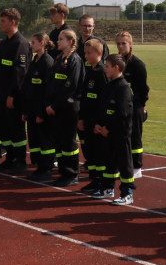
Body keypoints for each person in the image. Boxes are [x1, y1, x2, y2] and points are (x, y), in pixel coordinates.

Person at [0, 8, 30, 173]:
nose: (0, 24)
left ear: (12, 22)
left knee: (16, 128)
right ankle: (10, 157)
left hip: (13, 96)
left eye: (3, 21)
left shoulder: (20, 43)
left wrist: (12, 95)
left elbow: (20, 73)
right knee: (3, 128)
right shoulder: (4, 43)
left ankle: (20, 161)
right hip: (0, 93)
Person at [45, 29, 85, 186]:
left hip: (68, 108)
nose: (57, 41)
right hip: (56, 108)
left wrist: (55, 105)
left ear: (70, 42)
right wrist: (49, 103)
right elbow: (52, 84)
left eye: (61, 39)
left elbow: (71, 86)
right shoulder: (58, 58)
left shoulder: (75, 60)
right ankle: (63, 171)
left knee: (69, 142)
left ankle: (71, 173)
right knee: (59, 141)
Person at [95, 53, 136, 205]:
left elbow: (122, 113)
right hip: (107, 132)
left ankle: (127, 193)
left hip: (120, 133)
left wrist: (108, 128)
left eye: (107, 66)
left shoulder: (124, 88)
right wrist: (98, 124)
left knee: (124, 164)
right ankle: (107, 188)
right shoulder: (108, 85)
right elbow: (102, 108)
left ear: (116, 68)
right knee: (109, 161)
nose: (104, 68)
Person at [115, 31, 149, 177]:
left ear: (130, 44)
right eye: (118, 43)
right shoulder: (115, 62)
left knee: (135, 137)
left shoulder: (138, 64)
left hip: (134, 107)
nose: (121, 46)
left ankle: (136, 166)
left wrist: (139, 106)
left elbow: (143, 90)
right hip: (119, 107)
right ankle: (122, 163)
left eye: (124, 43)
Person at [23, 33, 56, 181]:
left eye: (34, 42)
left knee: (45, 140)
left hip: (41, 110)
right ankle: (38, 167)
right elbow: (29, 85)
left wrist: (42, 113)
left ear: (42, 43)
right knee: (34, 140)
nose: (31, 45)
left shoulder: (48, 62)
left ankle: (46, 168)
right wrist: (26, 110)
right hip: (31, 108)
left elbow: (48, 90)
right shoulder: (34, 60)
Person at [79, 39, 109, 196]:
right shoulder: (90, 70)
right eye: (85, 53)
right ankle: (94, 179)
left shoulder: (102, 73)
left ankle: (103, 182)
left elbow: (103, 101)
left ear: (99, 53)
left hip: (97, 121)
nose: (86, 55)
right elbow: (85, 97)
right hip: (88, 119)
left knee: (99, 152)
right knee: (90, 152)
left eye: (89, 53)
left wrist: (99, 122)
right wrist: (81, 118)